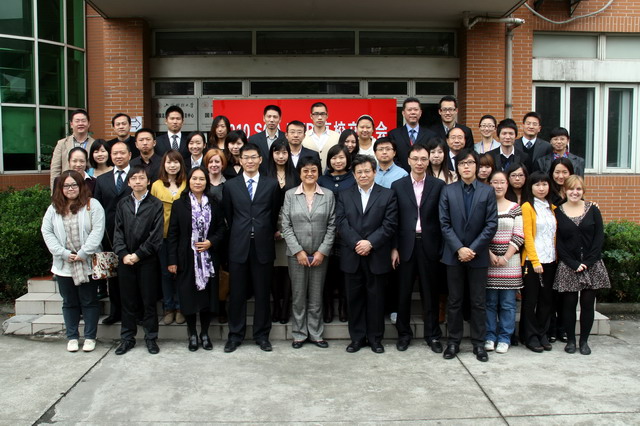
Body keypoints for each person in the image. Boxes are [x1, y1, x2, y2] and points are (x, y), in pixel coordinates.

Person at [439, 148, 498, 362]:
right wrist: (459, 248)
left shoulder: (487, 191)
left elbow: (491, 224)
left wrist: (472, 249)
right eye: (462, 163)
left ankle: (478, 344)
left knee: (478, 302)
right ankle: (453, 342)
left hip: (478, 255)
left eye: (470, 162)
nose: (466, 166)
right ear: (457, 166)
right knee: (454, 300)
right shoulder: (448, 191)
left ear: (477, 166)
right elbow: (444, 224)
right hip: (453, 255)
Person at [335, 154, 398, 354]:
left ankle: (375, 339)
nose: (363, 175)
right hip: (352, 255)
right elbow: (341, 222)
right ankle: (357, 338)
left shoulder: (387, 195)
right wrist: (357, 243)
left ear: (374, 172)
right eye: (359, 172)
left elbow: (389, 225)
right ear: (353, 175)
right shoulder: (344, 195)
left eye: (366, 171)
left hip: (376, 254)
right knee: (354, 300)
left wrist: (370, 243)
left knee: (376, 299)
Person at [222, 143, 280, 353]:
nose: (249, 161)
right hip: (238, 245)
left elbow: (273, 215)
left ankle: (262, 335)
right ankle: (235, 335)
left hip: (263, 245)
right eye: (245, 157)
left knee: (263, 293)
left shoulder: (271, 185)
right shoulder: (230, 186)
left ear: (260, 159)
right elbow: (229, 215)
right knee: (237, 294)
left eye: (253, 157)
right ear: (240, 159)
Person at [41, 170, 105, 352]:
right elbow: (47, 231)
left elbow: (97, 231)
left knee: (89, 301)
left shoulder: (93, 205)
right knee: (69, 302)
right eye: (66, 185)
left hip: (88, 263)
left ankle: (90, 337)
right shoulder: (54, 208)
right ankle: (72, 336)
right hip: (64, 265)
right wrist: (62, 252)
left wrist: (84, 253)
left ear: (81, 186)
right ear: (60, 188)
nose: (70, 189)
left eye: (74, 185)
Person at [391, 144, 445, 352]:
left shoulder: (438, 185)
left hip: (429, 245)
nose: (420, 163)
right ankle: (404, 334)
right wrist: (394, 247)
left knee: (430, 293)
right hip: (405, 245)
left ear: (429, 160)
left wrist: (440, 248)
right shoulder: (398, 185)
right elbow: (393, 220)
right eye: (416, 159)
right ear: (408, 160)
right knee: (403, 292)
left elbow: (443, 219)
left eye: (424, 159)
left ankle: (433, 335)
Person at [168, 167, 226, 351]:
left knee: (207, 299)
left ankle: (205, 333)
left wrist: (211, 242)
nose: (198, 182)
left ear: (206, 182)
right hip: (187, 258)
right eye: (194, 178)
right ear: (189, 181)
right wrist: (172, 261)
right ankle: (192, 334)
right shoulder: (179, 204)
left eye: (202, 179)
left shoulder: (214, 204)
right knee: (189, 298)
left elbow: (221, 230)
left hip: (209, 259)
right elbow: (173, 235)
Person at [281, 156, 336, 348]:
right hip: (297, 255)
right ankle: (299, 334)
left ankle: (316, 333)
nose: (310, 174)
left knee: (316, 295)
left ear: (318, 173)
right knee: (298, 296)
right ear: (300, 173)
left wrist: (322, 251)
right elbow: (285, 225)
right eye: (305, 170)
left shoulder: (328, 195)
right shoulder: (290, 195)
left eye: (313, 170)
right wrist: (298, 251)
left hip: (320, 254)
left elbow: (332, 225)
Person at [554, 175, 611, 355]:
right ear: (565, 190)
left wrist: (587, 262)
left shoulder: (592, 209)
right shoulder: (558, 211)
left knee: (587, 303)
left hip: (591, 264)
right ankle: (571, 340)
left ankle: (584, 341)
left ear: (583, 191)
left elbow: (599, 237)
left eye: (578, 189)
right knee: (569, 304)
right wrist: (572, 263)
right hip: (568, 265)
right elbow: (558, 242)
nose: (575, 192)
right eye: (571, 189)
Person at [112, 165, 164, 355]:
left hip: (147, 260)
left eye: (141, 178)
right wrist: (124, 254)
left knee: (149, 301)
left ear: (148, 181)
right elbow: (117, 232)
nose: (138, 182)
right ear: (129, 182)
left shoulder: (156, 204)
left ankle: (151, 338)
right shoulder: (122, 204)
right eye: (134, 179)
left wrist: (138, 255)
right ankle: (127, 338)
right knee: (128, 302)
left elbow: (156, 236)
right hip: (125, 260)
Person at [93, 141, 133, 325]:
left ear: (129, 155)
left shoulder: (138, 176)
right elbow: (96, 209)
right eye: (115, 153)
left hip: (134, 234)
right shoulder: (102, 180)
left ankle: (134, 312)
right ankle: (115, 311)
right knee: (113, 277)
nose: (118, 156)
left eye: (122, 153)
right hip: (109, 235)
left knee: (133, 276)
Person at [484, 170, 524, 354]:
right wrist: (490, 254)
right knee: (490, 303)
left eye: (502, 182)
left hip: (510, 263)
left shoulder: (515, 207)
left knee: (508, 304)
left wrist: (506, 257)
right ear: (489, 184)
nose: (498, 186)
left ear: (507, 185)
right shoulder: (484, 206)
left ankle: (505, 337)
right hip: (490, 262)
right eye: (495, 182)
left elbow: (519, 235)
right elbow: (480, 233)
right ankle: (490, 336)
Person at [520, 171, 557, 353]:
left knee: (546, 300)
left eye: (544, 184)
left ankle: (542, 333)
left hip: (551, 260)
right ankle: (530, 336)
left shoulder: (552, 207)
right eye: (537, 185)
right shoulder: (527, 207)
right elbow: (527, 236)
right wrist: (534, 260)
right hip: (532, 261)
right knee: (530, 300)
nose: (541, 188)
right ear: (531, 187)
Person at [317, 144, 355, 323]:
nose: (338, 161)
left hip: (347, 234)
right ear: (329, 160)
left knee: (344, 272)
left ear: (348, 159)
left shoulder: (354, 178)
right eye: (334, 158)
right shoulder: (322, 180)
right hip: (325, 233)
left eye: (341, 157)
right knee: (327, 272)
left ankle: (344, 307)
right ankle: (328, 307)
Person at [150, 150, 187, 326]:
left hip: (183, 236)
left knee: (181, 272)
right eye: (168, 162)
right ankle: (168, 307)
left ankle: (181, 307)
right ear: (163, 164)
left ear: (181, 164)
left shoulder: (187, 183)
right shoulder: (156, 185)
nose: (172, 165)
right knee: (165, 273)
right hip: (162, 236)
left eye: (176, 162)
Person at [265, 139, 300, 324]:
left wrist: (285, 230)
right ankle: (276, 306)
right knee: (272, 271)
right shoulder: (265, 174)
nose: (280, 156)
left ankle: (285, 308)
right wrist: (272, 229)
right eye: (277, 152)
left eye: (284, 152)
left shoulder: (295, 176)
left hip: (291, 229)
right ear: (272, 154)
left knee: (288, 271)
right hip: (269, 230)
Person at [203, 148, 228, 323]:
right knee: (205, 272)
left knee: (223, 273)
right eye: (211, 161)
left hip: (225, 236)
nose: (214, 165)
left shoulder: (230, 184)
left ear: (223, 164)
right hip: (204, 238)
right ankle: (206, 308)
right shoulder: (200, 183)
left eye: (217, 161)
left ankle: (221, 308)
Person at [388, 97, 436, 172]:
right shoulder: (394, 134)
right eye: (409, 110)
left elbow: (432, 157)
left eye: (416, 110)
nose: (413, 112)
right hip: (400, 177)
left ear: (420, 113)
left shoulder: (430, 135)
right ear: (403, 113)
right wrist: (402, 172)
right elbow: (392, 157)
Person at [50, 109, 95, 188]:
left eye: (83, 121)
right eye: (77, 121)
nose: (80, 123)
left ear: (88, 124)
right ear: (71, 124)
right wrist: (55, 193)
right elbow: (55, 170)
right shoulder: (62, 144)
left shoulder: (95, 144)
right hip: (67, 188)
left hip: (88, 187)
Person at [302, 102, 340, 171]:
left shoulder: (336, 136)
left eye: (322, 114)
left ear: (327, 115)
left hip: (331, 177)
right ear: (311, 116)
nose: (319, 117)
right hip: (309, 177)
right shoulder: (304, 136)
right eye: (316, 114)